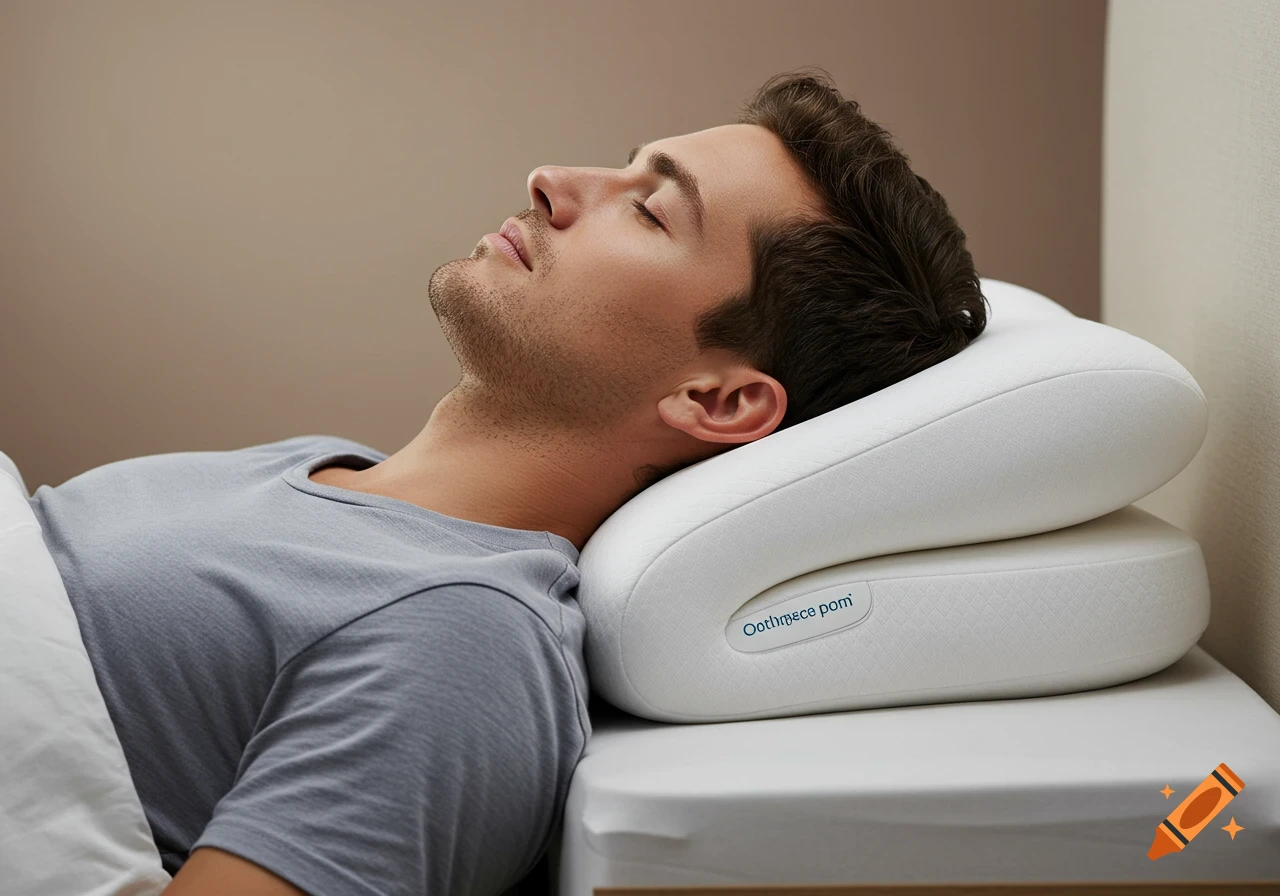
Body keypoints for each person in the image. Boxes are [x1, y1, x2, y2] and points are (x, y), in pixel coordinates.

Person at [26, 68, 987, 895]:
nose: (555, 180)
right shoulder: (315, 469)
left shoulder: (455, 641)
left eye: (651, 208)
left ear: (721, 400)